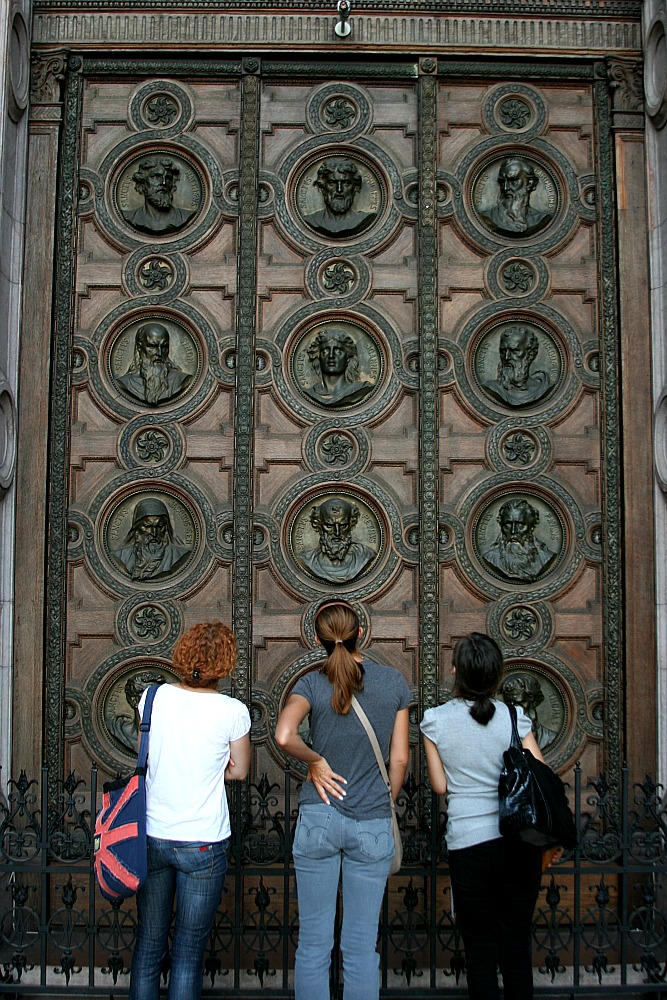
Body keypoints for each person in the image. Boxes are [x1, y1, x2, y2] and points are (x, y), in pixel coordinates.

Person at [275, 603, 410, 1000]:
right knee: (360, 946)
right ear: (362, 633)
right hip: (371, 821)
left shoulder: (313, 684)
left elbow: (284, 735)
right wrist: (384, 800)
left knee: (314, 943)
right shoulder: (394, 683)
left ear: (316, 640)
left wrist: (316, 761)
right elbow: (399, 758)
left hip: (320, 816)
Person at [420, 632, 546, 1000]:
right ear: (496, 676)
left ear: (456, 671)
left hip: (470, 845)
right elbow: (539, 769)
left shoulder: (435, 721)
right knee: (515, 946)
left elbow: (440, 785)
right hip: (519, 843)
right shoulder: (513, 716)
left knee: (479, 950)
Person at [129, 621, 251, 1000]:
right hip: (203, 841)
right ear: (225, 664)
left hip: (152, 834)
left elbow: (144, 755)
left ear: (183, 655)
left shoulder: (151, 698)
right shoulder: (232, 711)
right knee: (187, 950)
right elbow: (240, 770)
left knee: (149, 943)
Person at [297, 497, 376, 583]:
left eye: (343, 525)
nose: (337, 533)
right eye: (329, 526)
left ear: (351, 524)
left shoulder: (365, 555)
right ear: (319, 525)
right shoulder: (307, 559)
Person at [112, 497, 192, 581]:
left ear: (166, 528)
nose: (154, 533)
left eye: (159, 526)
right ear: (137, 528)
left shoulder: (179, 555)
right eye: (148, 526)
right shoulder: (120, 556)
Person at [481, 498, 558, 582]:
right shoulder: (490, 557)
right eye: (508, 524)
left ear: (531, 526)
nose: (513, 531)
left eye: (520, 525)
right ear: (501, 525)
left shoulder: (546, 557)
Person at [117, 323, 193, 405]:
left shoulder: (181, 380)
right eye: (152, 346)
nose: (159, 353)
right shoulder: (125, 383)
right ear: (139, 347)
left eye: (164, 347)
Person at [478, 156, 553, 238]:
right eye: (502, 181)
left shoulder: (541, 219)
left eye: (513, 180)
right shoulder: (488, 217)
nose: (506, 188)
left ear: (530, 184)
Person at [481, 326, 553, 408]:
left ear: (531, 354)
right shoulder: (491, 388)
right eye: (503, 351)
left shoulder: (543, 387)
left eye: (515, 351)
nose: (507, 357)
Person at [304, 159, 377, 237]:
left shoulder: (366, 220)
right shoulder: (311, 220)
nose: (339, 189)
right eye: (332, 183)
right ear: (322, 188)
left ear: (355, 187)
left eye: (346, 183)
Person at [123, 157, 197, 234]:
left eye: (168, 178)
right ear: (142, 184)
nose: (163, 183)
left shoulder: (184, 216)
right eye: (156, 177)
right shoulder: (131, 217)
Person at [303, 329, 375, 408]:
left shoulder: (361, 390)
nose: (331, 356)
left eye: (338, 351)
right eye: (325, 351)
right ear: (318, 357)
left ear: (348, 358)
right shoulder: (309, 394)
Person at [500, 673, 559, 751]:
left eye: (519, 703)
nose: (514, 709)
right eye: (508, 703)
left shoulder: (550, 737)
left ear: (532, 698)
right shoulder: (500, 739)